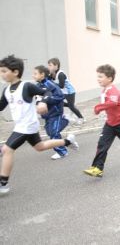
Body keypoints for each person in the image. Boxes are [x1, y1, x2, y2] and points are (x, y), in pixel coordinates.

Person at [0, 55, 78, 194]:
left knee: (7, 150)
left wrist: (43, 102)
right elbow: (1, 106)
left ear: (15, 72)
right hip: (21, 126)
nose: (2, 74)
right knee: (40, 147)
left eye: (4, 71)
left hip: (28, 125)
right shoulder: (6, 90)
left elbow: (47, 91)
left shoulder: (27, 86)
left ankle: (3, 184)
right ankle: (67, 141)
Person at [33, 65, 70, 160]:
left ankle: (62, 152)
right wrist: (38, 104)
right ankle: (65, 120)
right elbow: (37, 98)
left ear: (42, 74)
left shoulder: (50, 84)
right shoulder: (37, 86)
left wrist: (47, 100)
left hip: (55, 112)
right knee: (49, 132)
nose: (33, 76)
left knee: (54, 133)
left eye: (35, 74)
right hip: (46, 114)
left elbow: (60, 96)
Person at [48, 58, 85, 124]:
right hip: (64, 91)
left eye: (50, 65)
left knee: (71, 106)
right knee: (59, 102)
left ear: (56, 66)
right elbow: (50, 80)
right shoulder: (54, 73)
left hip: (70, 91)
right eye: (48, 65)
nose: (49, 67)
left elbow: (61, 85)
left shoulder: (61, 74)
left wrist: (53, 83)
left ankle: (81, 118)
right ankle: (71, 106)